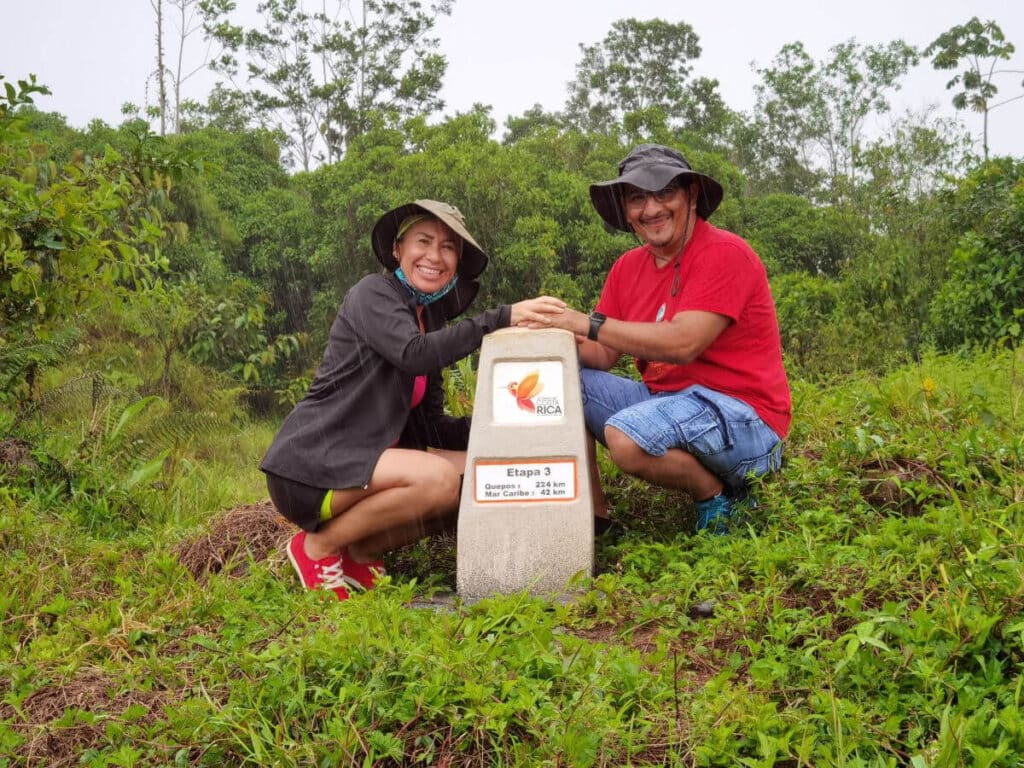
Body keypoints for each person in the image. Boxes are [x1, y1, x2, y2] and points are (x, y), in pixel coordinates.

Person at [260, 199, 566, 599]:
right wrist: (501, 318)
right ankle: (316, 547)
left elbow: (429, 426)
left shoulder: (430, 319)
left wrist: (506, 433)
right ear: (397, 250)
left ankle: (359, 552)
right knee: (438, 480)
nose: (434, 256)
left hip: (366, 463)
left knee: (482, 475)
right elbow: (413, 353)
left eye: (448, 247)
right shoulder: (373, 293)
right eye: (423, 241)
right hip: (313, 464)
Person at [534, 144, 791, 534]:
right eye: (637, 197)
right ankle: (594, 516)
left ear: (691, 196)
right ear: (626, 210)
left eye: (664, 193)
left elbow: (683, 343)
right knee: (562, 385)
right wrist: (547, 331)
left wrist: (587, 323)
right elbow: (602, 353)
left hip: (744, 416)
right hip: (668, 403)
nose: (651, 209)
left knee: (626, 437)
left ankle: (715, 495)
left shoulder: (725, 253)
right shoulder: (626, 269)